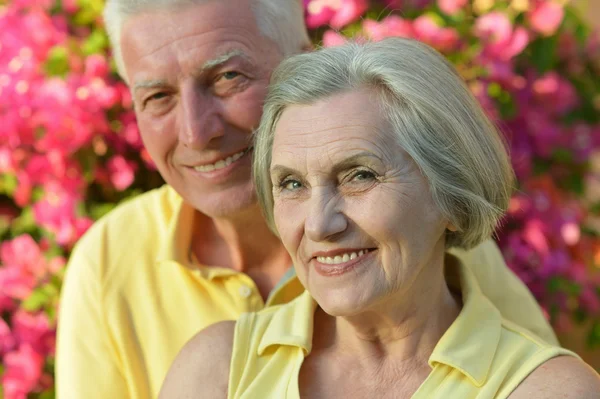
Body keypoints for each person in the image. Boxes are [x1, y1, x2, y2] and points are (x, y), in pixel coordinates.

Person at [55, 1, 559, 398]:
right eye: (158, 97)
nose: (196, 131)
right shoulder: (107, 263)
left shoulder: (431, 243)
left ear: (302, 58)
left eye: (228, 77)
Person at [160, 39, 600, 399]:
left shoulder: (544, 389)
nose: (318, 225)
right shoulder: (219, 370)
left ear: (450, 193)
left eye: (359, 176)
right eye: (292, 184)